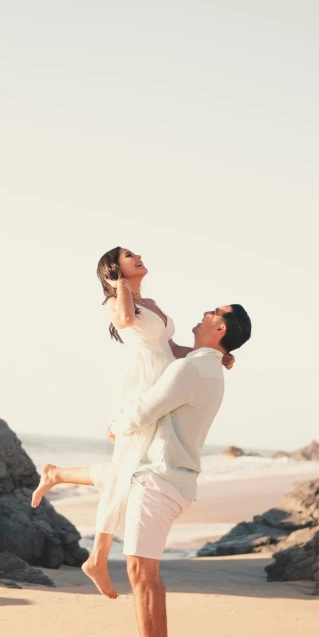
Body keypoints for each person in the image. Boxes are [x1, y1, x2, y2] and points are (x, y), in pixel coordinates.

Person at [30, 246, 234, 599]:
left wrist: (214, 353)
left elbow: (170, 347)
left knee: (130, 466)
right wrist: (120, 285)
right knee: (127, 466)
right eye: (128, 255)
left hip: (164, 378)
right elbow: (124, 322)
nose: (138, 255)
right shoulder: (117, 302)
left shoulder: (151, 301)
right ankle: (97, 556)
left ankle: (57, 476)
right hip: (141, 384)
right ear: (115, 268)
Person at [106, 302, 252, 637]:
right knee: (148, 573)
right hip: (174, 479)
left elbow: (147, 409)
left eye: (213, 311)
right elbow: (164, 346)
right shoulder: (209, 367)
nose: (205, 311)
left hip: (159, 480)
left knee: (141, 574)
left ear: (220, 328)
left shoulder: (193, 369)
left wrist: (116, 426)